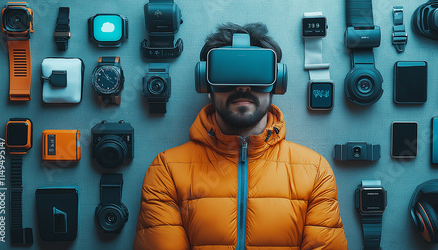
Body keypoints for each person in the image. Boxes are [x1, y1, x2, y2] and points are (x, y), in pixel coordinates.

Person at [133, 22, 348, 250]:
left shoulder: (315, 171)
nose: (243, 86)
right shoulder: (166, 170)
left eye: (256, 72)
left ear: (277, 83)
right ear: (206, 83)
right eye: (228, 72)